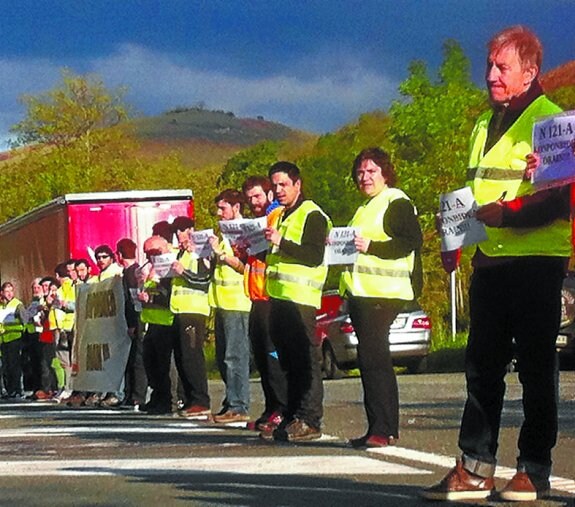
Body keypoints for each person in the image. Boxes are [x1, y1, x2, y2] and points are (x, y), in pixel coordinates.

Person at [422, 26, 569, 503]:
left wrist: (508, 214)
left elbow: (560, 200)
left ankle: (534, 468)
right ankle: (476, 466)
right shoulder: (482, 126)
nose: (491, 75)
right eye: (489, 66)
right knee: (481, 369)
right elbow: (473, 193)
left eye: (501, 67)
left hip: (536, 261)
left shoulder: (553, 122)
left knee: (535, 369)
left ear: (530, 73)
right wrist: (453, 240)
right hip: (489, 261)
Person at [341, 148, 423, 449]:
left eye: (371, 171)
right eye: (360, 172)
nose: (364, 177)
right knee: (369, 359)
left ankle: (384, 429)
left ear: (385, 173)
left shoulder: (396, 201)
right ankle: (378, 426)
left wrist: (371, 246)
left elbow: (411, 242)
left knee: (375, 360)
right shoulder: (365, 207)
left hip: (384, 293)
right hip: (362, 292)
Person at [262, 161, 331, 442]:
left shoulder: (312, 214)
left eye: (283, 185)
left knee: (306, 361)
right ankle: (292, 415)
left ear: (297, 185)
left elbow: (313, 255)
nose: (278, 191)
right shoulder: (280, 215)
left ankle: (310, 418)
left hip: (300, 299)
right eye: (274, 185)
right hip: (279, 298)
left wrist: (281, 242)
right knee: (287, 362)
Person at [241, 176, 287, 432]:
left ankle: (281, 409)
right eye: (249, 199)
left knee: (273, 358)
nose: (253, 202)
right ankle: (271, 408)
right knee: (261, 358)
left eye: (257, 197)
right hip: (256, 296)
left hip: (272, 296)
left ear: (269, 195)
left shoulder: (276, 215)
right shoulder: (255, 223)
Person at [208, 190, 252, 423]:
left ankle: (239, 405)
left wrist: (223, 257)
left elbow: (245, 267)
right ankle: (231, 401)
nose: (218, 213)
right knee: (223, 356)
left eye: (223, 208)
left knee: (235, 356)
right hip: (222, 302)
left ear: (236, 208)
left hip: (238, 301)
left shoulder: (243, 232)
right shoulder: (224, 234)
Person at [170, 216, 213, 420]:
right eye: (176, 231)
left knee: (192, 356)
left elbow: (204, 280)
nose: (179, 234)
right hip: (180, 310)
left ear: (192, 230)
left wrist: (183, 272)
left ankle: (200, 400)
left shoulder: (200, 252)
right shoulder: (181, 253)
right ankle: (189, 398)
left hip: (195, 310)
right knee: (181, 357)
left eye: (182, 230)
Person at [112, 238, 147, 409]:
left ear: (119, 255)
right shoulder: (133, 271)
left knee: (137, 359)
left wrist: (132, 323)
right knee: (130, 358)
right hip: (135, 320)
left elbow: (132, 300)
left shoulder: (132, 273)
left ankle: (137, 395)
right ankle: (130, 393)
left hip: (137, 320)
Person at [0, 282, 26, 398]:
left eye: (11, 291)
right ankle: (9, 389)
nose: (9, 294)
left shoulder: (17, 305)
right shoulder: (1, 306)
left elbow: (24, 320)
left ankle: (17, 389)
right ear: (2, 293)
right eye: (7, 291)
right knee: (6, 366)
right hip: (3, 340)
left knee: (15, 365)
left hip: (15, 339)